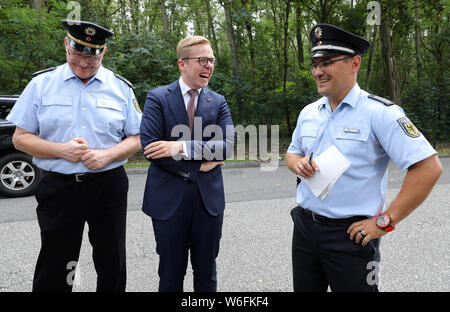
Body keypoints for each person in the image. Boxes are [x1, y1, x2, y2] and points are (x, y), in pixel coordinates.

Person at [286, 24, 442, 292]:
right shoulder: (309, 112)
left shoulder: (381, 113)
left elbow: (428, 167)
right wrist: (297, 163)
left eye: (326, 63)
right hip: (304, 228)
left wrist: (386, 221)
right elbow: (291, 152)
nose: (318, 71)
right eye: (314, 64)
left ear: (354, 63)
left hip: (351, 236)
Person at [7, 20, 142, 292]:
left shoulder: (120, 88)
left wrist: (107, 155)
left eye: (91, 58)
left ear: (103, 54)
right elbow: (19, 138)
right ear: (66, 45)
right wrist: (62, 150)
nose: (83, 64)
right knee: (56, 262)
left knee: (111, 259)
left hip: (108, 186)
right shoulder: (41, 84)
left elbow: (138, 137)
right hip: (60, 186)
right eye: (77, 55)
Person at [140, 36, 234, 292]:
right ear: (182, 64)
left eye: (211, 60)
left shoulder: (218, 101)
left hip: (208, 203)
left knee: (207, 274)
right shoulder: (157, 98)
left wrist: (181, 146)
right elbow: (150, 147)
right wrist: (202, 163)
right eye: (202, 60)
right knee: (170, 275)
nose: (209, 66)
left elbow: (228, 146)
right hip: (168, 202)